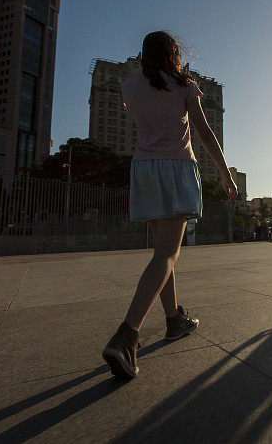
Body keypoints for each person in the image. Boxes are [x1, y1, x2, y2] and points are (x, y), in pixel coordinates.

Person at [102, 31, 237, 379]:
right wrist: (225, 174)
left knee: (164, 252)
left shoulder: (129, 85)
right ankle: (127, 335)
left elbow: (136, 112)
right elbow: (204, 133)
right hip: (176, 167)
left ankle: (175, 319)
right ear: (174, 54)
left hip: (144, 169)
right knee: (166, 254)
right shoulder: (184, 85)